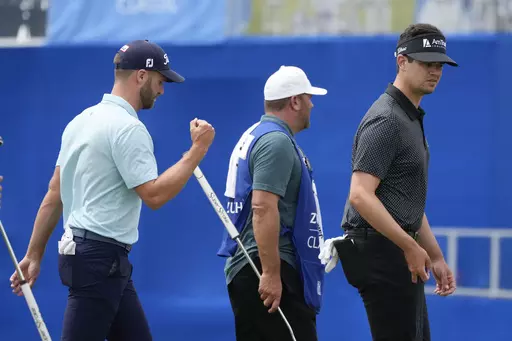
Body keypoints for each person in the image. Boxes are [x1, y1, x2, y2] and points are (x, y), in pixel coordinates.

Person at [9, 39, 215, 341]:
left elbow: (55, 193)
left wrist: (34, 253)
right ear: (141, 76)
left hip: (97, 259)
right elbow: (154, 195)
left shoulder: (81, 121)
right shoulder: (129, 128)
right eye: (160, 81)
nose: (162, 90)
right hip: (99, 260)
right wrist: (197, 150)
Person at [321, 23, 458, 341]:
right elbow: (360, 195)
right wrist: (410, 245)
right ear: (402, 61)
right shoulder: (387, 119)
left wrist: (434, 254)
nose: (435, 71)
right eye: (426, 63)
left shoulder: (409, 117)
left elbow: (404, 199)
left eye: (439, 64)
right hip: (384, 251)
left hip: (396, 247)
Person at [220, 65, 327, 341]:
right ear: (294, 101)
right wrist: (270, 273)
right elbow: (262, 207)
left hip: (258, 266)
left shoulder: (258, 134)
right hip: (267, 267)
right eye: (308, 97)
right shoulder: (275, 142)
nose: (312, 105)